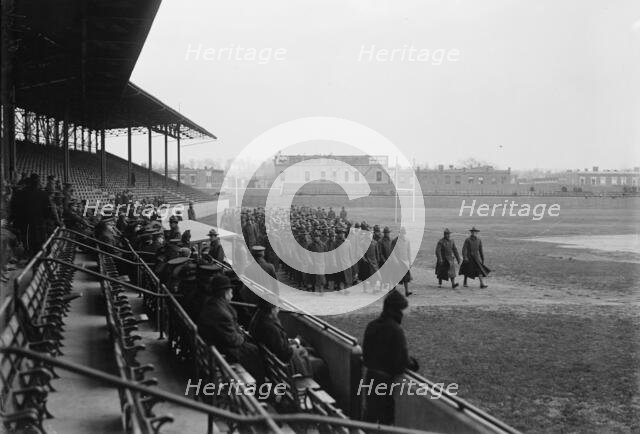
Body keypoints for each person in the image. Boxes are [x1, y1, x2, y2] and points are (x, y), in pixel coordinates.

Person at [362, 290, 419, 425]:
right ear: (396, 310)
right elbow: (401, 361)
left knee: (369, 416)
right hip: (385, 380)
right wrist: (413, 364)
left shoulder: (372, 325)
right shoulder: (395, 329)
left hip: (370, 376)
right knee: (386, 419)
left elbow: (366, 354)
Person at [197, 275, 265, 382]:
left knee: (252, 348)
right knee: (254, 351)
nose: (232, 295)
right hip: (221, 351)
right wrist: (242, 336)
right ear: (225, 293)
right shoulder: (221, 313)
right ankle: (260, 386)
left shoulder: (213, 304)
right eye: (231, 292)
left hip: (213, 346)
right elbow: (233, 340)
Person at [391, 227, 412, 296]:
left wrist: (410, 261)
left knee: (406, 278)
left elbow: (409, 251)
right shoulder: (394, 241)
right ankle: (393, 290)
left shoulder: (407, 240)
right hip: (397, 262)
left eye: (403, 233)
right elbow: (392, 252)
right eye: (401, 233)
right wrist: (395, 261)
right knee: (395, 277)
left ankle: (406, 291)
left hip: (405, 262)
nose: (402, 234)